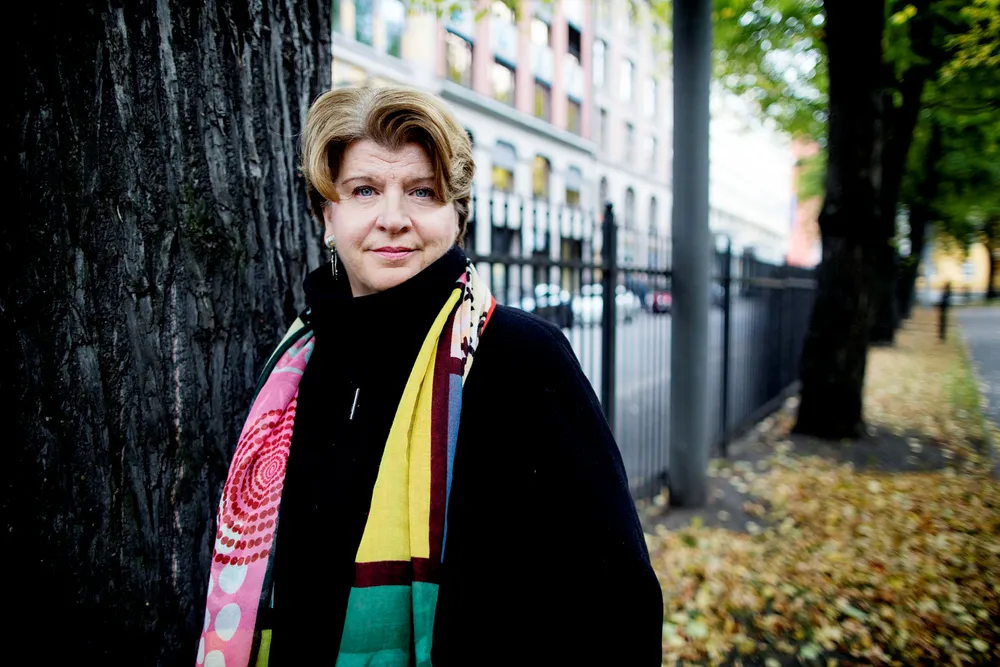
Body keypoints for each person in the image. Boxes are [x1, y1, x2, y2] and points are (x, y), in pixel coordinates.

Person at [196, 84, 663, 667]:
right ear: (327, 216)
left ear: (457, 216)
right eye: (364, 190)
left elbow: (617, 604)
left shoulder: (520, 356)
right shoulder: (298, 365)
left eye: (422, 192)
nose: (393, 219)